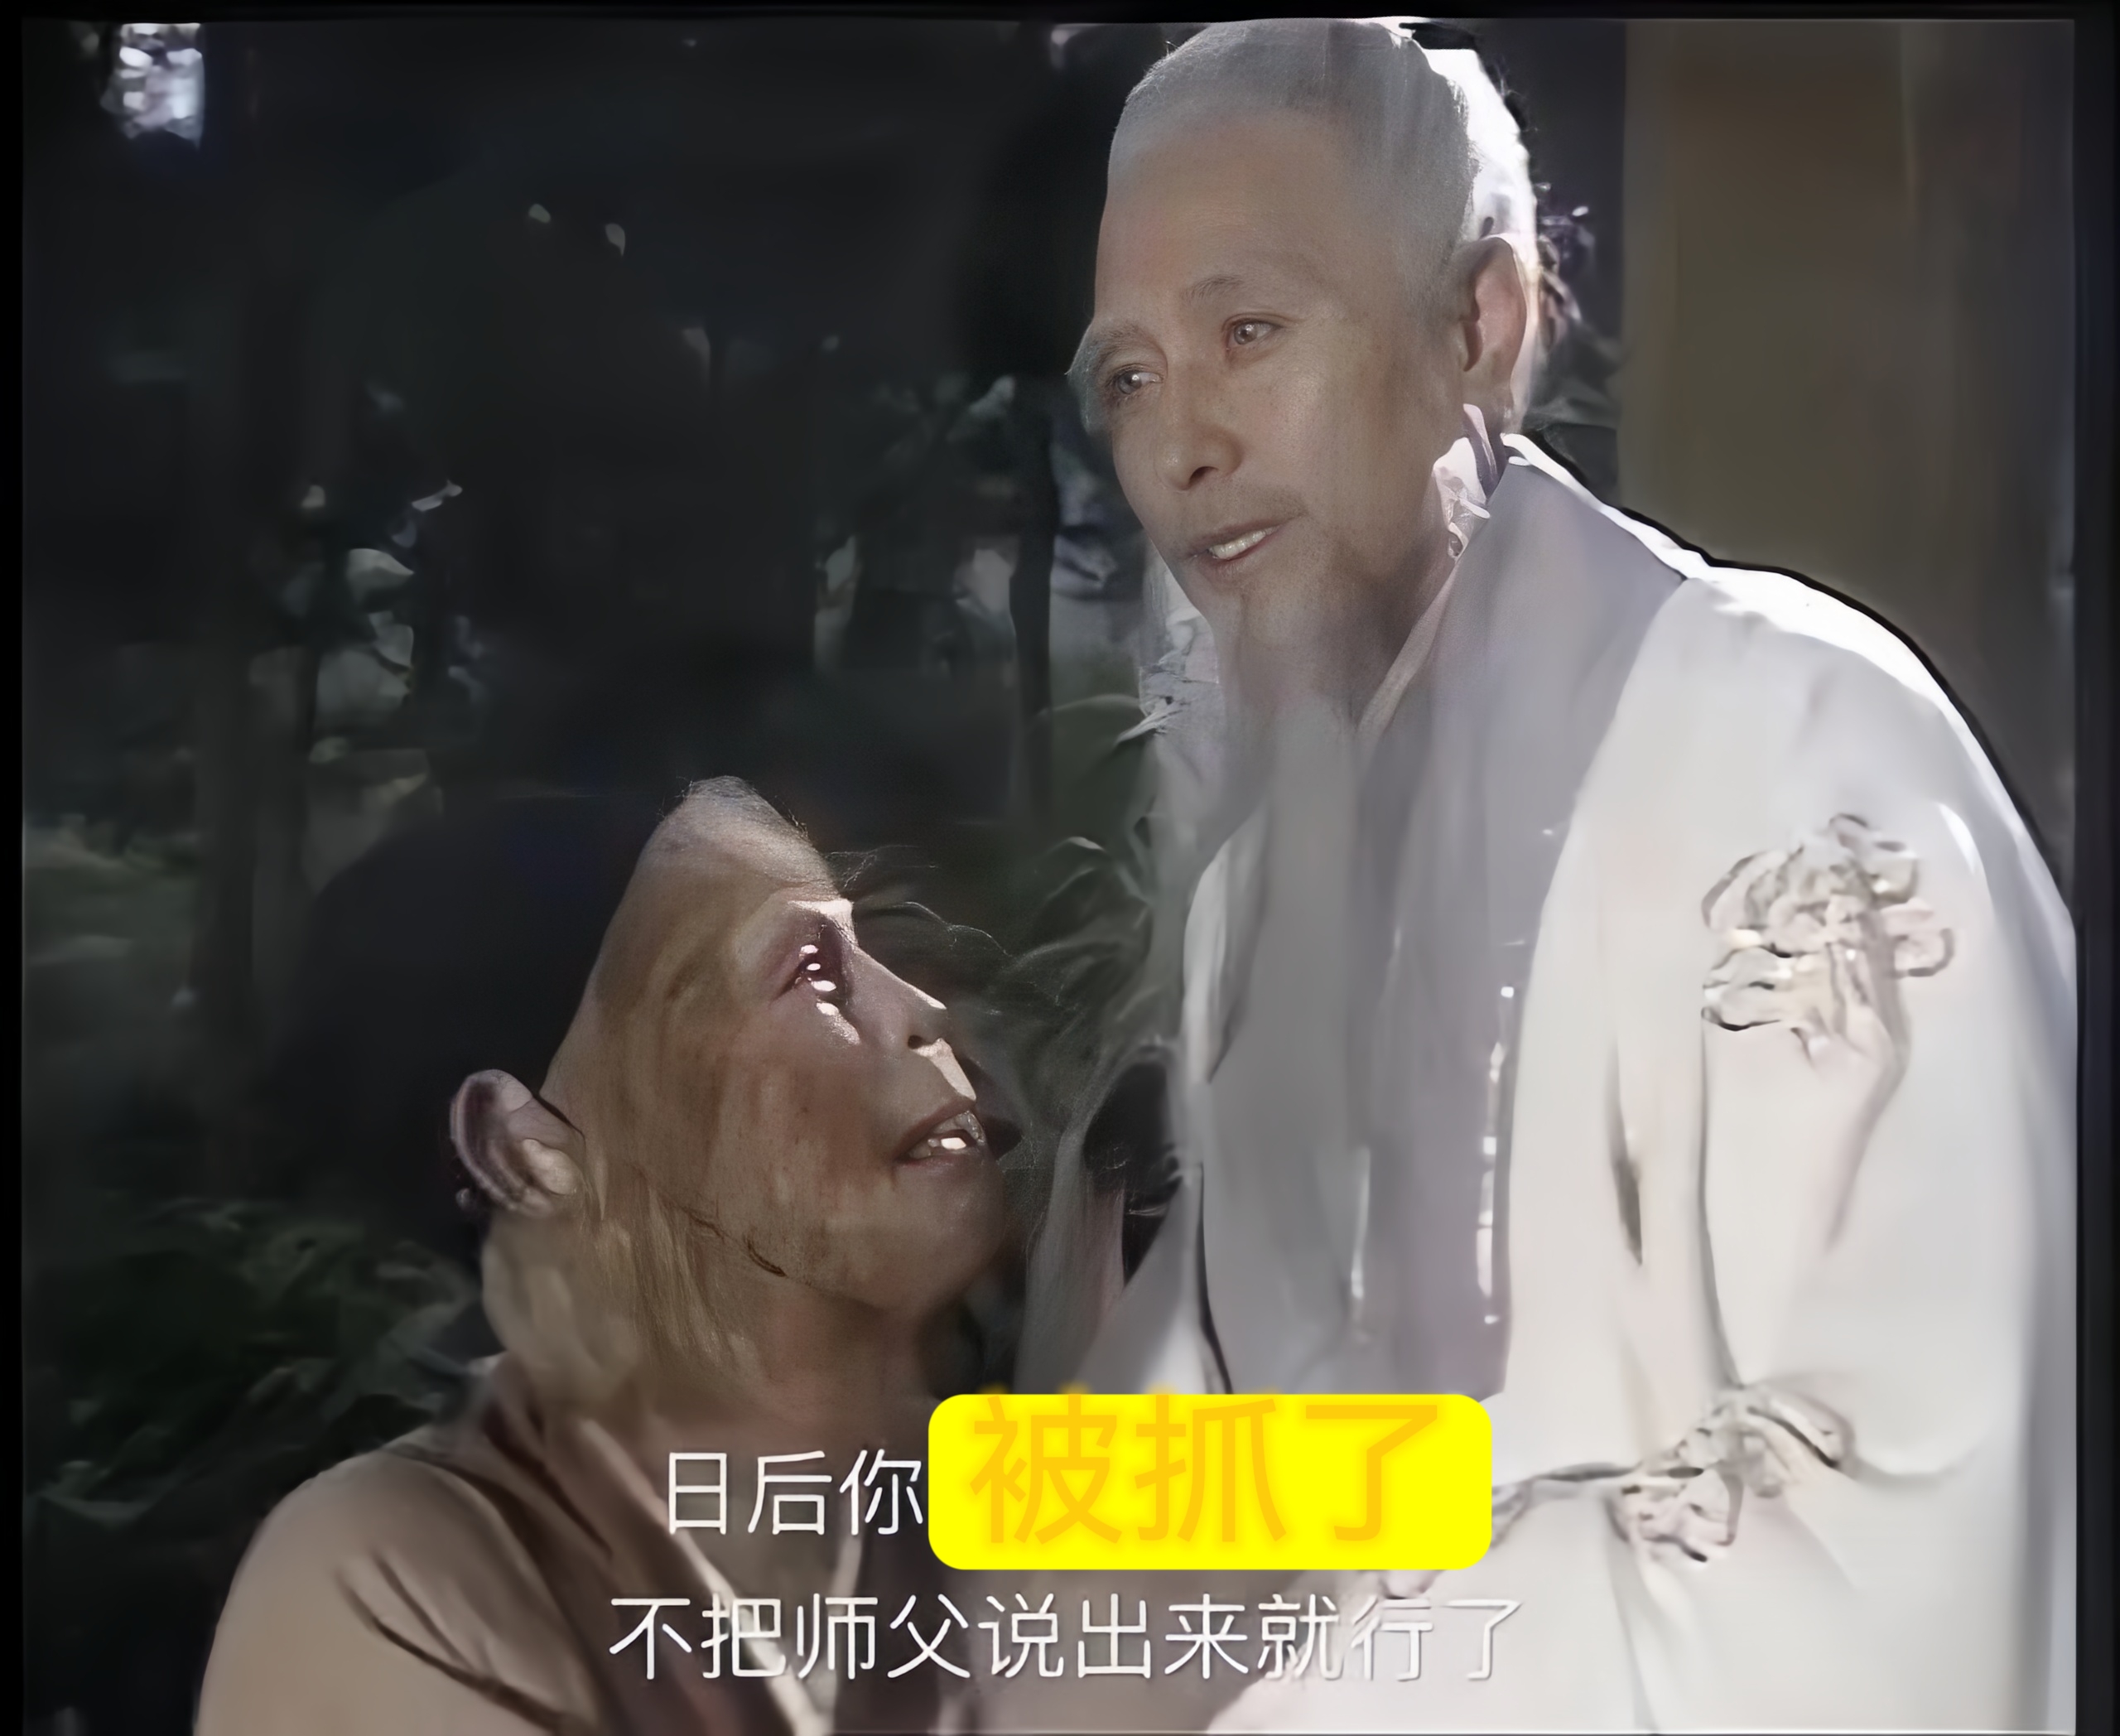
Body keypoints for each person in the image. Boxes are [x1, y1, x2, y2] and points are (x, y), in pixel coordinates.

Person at [1056, 19, 2074, 1731]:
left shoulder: (1798, 756)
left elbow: (1915, 1532)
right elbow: (1263, 1464)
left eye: (1246, 334)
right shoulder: (1257, 902)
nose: (1179, 448)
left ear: (1482, 324)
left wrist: (1284, 1694)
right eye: (1129, 380)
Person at [197, 778, 1006, 1734]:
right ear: (524, 1150)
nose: (920, 1010)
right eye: (809, 974)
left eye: (862, 950)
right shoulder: (393, 1572)